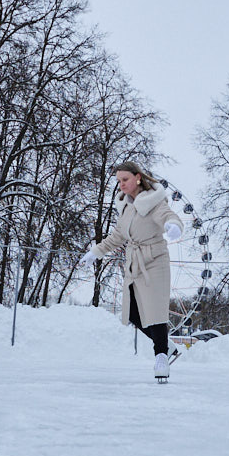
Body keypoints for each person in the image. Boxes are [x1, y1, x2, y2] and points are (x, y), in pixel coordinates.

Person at [80, 161, 184, 380]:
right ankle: (168, 346)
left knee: (156, 313)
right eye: (118, 181)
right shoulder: (126, 206)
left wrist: (174, 226)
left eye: (125, 179)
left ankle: (161, 358)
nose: (121, 185)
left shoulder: (153, 201)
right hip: (134, 264)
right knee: (134, 315)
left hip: (155, 261)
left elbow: (167, 216)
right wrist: (96, 251)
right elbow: (118, 236)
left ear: (138, 177)